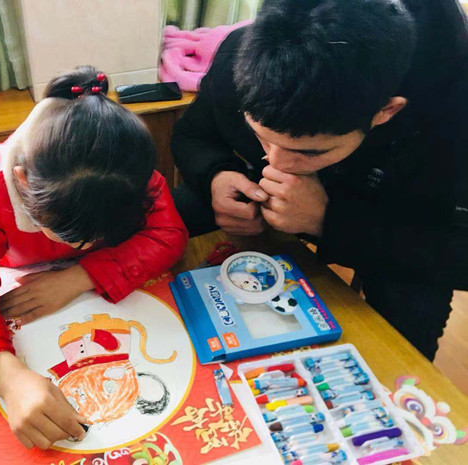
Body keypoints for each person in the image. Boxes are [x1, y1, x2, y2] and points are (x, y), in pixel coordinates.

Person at [171, 0, 468, 361]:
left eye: (310, 153)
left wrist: (326, 220)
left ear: (386, 111)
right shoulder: (241, 53)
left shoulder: (453, 110)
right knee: (169, 213)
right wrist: (215, 175)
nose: (276, 164)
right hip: (264, 198)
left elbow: (455, 257)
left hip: (392, 215)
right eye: (262, 138)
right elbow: (192, 135)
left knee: (411, 313)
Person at [0, 66, 188, 450]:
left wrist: (80, 276)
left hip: (99, 291)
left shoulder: (127, 169)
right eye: (70, 235)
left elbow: (167, 234)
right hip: (25, 284)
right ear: (22, 181)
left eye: (100, 237)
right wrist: (9, 378)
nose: (85, 246)